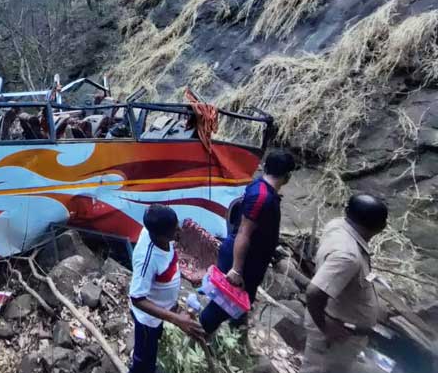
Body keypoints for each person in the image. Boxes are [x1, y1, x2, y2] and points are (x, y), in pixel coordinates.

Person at [199, 149, 296, 334]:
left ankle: (237, 333)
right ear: (287, 176)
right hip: (242, 260)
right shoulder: (262, 197)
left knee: (243, 301)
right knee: (222, 306)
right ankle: (198, 335)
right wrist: (236, 270)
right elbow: (244, 232)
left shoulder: (261, 188)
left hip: (251, 259)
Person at [302, 194, 387, 373]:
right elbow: (314, 292)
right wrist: (326, 326)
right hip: (335, 334)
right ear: (381, 228)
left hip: (338, 324)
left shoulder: (339, 225)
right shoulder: (348, 257)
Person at [129, 204, 206, 373]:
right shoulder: (147, 260)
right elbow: (137, 298)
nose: (178, 229)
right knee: (144, 360)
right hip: (147, 320)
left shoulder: (161, 237)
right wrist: (176, 319)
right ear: (160, 235)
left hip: (162, 308)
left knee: (154, 342)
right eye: (174, 228)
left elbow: (169, 264)